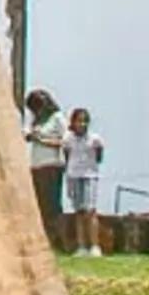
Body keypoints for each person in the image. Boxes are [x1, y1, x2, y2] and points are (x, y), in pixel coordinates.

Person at [61, 106, 106, 254]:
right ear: (73, 122)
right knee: (79, 212)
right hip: (74, 175)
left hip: (89, 175)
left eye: (85, 121)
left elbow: (99, 157)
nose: (82, 124)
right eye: (79, 121)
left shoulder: (95, 139)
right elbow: (67, 156)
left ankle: (94, 245)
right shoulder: (68, 138)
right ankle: (81, 246)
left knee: (90, 211)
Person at [21, 86, 67, 228]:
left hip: (52, 164)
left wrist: (42, 140)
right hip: (37, 164)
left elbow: (65, 142)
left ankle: (58, 236)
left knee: (52, 204)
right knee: (40, 204)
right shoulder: (36, 121)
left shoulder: (57, 118)